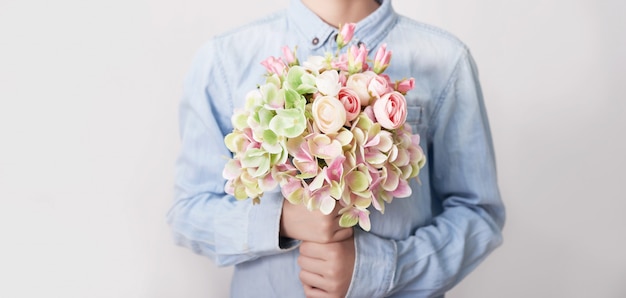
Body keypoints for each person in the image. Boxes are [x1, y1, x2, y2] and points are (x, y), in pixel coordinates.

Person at [167, 0, 506, 297]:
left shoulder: (444, 59)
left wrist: (381, 269)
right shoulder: (225, 60)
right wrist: (279, 222)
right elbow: (189, 212)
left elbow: (478, 213)